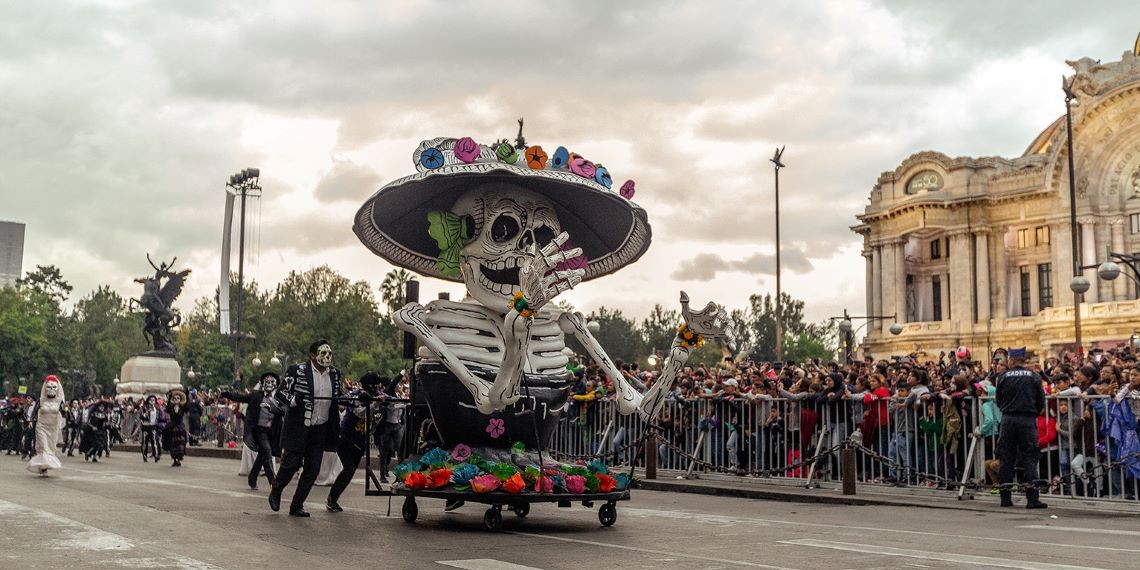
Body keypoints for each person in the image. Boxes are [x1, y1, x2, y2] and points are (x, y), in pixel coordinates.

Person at [266, 339, 342, 517]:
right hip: (299, 427)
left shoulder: (335, 374)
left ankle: (297, 505)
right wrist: (293, 401)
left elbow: (338, 397)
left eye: (330, 353)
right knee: (291, 464)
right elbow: (281, 392)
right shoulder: (297, 370)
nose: (327, 357)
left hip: (320, 428)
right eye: (323, 353)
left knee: (313, 469)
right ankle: (276, 491)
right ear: (313, 355)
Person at [994, 347, 1047, 509]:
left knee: (1006, 459)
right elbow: (1041, 401)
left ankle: (1005, 498)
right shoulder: (1034, 377)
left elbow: (999, 399)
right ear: (1022, 360)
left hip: (1008, 419)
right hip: (1027, 419)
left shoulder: (1003, 377)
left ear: (1011, 360)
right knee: (1029, 458)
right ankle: (1032, 499)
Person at [326, 373, 383, 512]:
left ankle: (333, 498)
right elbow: (359, 412)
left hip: (360, 440)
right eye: (376, 384)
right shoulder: (356, 395)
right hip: (346, 438)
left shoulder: (373, 397)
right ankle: (331, 499)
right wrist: (374, 404)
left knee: (350, 472)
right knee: (348, 468)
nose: (379, 387)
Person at [224, 372, 282, 490]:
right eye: (267, 381)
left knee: (262, 455)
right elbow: (241, 397)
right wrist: (227, 394)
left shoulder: (279, 397)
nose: (269, 384)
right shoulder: (256, 396)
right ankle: (273, 482)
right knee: (266, 451)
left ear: (276, 384)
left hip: (273, 431)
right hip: (259, 430)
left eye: (272, 382)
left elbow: (285, 409)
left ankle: (252, 478)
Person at [27, 375, 65, 476]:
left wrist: (65, 412)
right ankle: (44, 469)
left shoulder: (59, 401)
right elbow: (34, 411)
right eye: (49, 387)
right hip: (41, 427)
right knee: (44, 448)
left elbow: (65, 414)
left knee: (50, 449)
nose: (51, 389)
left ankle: (44, 466)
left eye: (54, 387)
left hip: (53, 428)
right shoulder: (41, 400)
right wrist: (31, 421)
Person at [165, 388, 189, 467]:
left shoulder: (182, 408)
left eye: (178, 398)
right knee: (173, 444)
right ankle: (175, 459)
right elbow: (167, 407)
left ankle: (179, 459)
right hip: (172, 427)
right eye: (175, 398)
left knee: (180, 444)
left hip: (179, 427)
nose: (176, 400)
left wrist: (187, 394)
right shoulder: (171, 408)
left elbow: (187, 405)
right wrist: (169, 396)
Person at [139, 395, 161, 462]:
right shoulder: (144, 408)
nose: (152, 402)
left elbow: (158, 418)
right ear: (148, 401)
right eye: (151, 400)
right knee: (145, 443)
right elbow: (142, 416)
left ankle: (156, 456)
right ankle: (144, 456)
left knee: (154, 442)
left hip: (153, 427)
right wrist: (147, 412)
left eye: (153, 400)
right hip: (146, 427)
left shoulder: (157, 409)